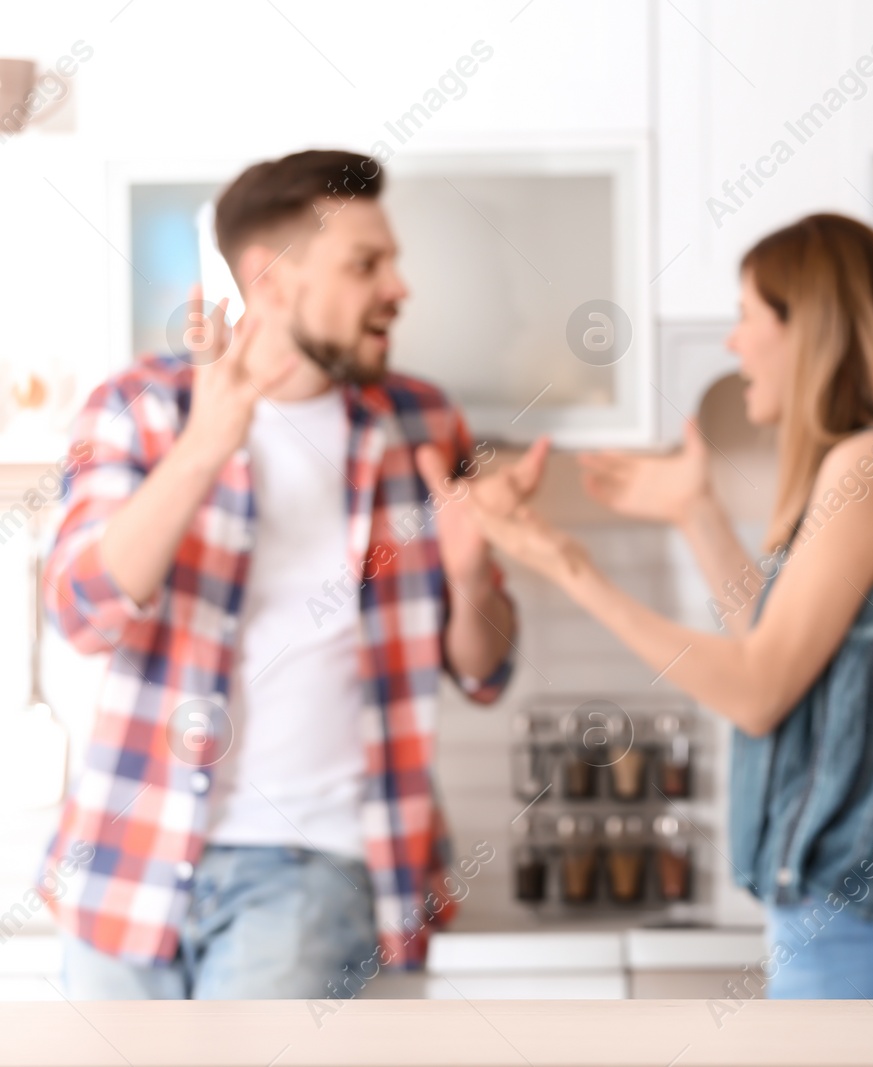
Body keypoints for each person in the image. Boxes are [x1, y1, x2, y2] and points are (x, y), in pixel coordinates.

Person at [439, 213, 873, 998]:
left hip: (855, 917)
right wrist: (696, 513)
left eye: (747, 316)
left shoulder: (868, 465)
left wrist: (570, 566)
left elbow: (756, 691)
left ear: (805, 329)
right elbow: (784, 656)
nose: (734, 342)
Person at [42, 149, 527, 999]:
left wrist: (473, 574)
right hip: (127, 860)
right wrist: (202, 451)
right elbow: (82, 612)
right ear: (269, 281)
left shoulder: (421, 422)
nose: (398, 289)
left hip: (316, 861)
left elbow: (485, 672)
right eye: (365, 264)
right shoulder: (141, 408)